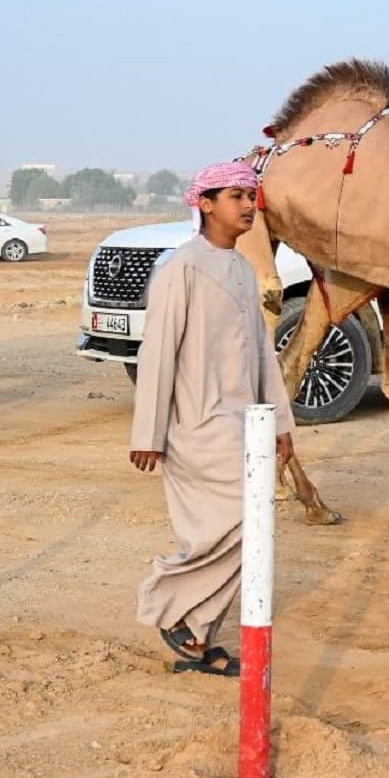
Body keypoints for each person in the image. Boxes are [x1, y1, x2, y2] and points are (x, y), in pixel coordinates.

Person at [129, 162, 296, 677]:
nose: (248, 206)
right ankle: (167, 593)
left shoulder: (242, 269)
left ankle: (198, 636)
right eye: (235, 196)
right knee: (242, 523)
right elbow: (157, 353)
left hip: (245, 420)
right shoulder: (182, 267)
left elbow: (263, 353)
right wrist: (149, 433)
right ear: (205, 204)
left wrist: (282, 424)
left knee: (252, 527)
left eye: (251, 196)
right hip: (197, 422)